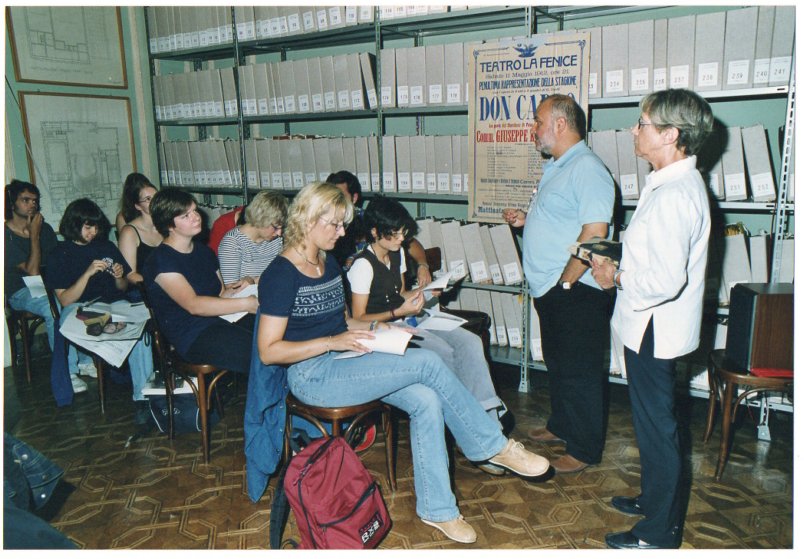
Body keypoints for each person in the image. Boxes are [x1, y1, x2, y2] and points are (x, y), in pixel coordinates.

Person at [255, 182, 550, 544]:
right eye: (334, 224)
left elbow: (345, 321)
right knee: (427, 362)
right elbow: (269, 351)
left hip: (345, 357)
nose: (342, 232)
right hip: (312, 375)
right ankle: (492, 446)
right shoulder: (281, 274)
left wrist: (380, 327)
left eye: (343, 224)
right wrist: (331, 342)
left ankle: (438, 510)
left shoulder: (326, 263)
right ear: (307, 220)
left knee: (426, 398)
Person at [590, 89, 713, 549]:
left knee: (658, 428)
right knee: (652, 424)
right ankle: (654, 500)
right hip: (652, 324)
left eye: (642, 123)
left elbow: (664, 280)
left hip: (654, 327)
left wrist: (616, 276)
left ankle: (658, 533)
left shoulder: (675, 193)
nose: (634, 130)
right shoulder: (668, 183)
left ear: (670, 134)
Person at [346, 196, 509, 475]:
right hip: (383, 330)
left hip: (406, 317)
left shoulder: (396, 253)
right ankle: (473, 436)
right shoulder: (362, 265)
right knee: (443, 352)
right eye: (395, 233)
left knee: (470, 342)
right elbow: (359, 318)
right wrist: (399, 311)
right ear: (375, 232)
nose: (401, 239)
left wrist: (426, 292)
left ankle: (489, 429)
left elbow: (399, 295)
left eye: (403, 232)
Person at [502, 94, 615, 474]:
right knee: (560, 364)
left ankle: (584, 449)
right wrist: (527, 220)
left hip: (575, 288)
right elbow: (562, 217)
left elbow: (595, 232)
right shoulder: (559, 165)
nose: (533, 129)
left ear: (561, 124)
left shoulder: (587, 168)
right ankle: (562, 425)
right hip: (553, 288)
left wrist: (566, 283)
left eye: (538, 121)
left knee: (580, 371)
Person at [46, 198, 153, 412]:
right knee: (94, 324)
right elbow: (65, 300)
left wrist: (119, 276)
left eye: (95, 227)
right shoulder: (59, 253)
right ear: (74, 225)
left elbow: (121, 288)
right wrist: (87, 273)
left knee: (141, 331)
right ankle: (96, 364)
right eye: (88, 227)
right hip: (79, 307)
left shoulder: (106, 247)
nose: (93, 232)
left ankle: (144, 396)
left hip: (112, 303)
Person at [142, 188, 258, 375]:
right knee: (260, 351)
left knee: (272, 331)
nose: (196, 217)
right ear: (169, 224)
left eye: (194, 210)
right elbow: (194, 305)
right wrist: (246, 303)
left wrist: (241, 287)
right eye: (186, 215)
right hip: (191, 334)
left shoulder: (203, 251)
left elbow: (220, 294)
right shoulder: (161, 261)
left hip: (218, 320)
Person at [327, 170, 432, 288]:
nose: (336, 201)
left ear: (354, 198)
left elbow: (410, 242)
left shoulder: (369, 219)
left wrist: (423, 265)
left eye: (341, 196)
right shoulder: (326, 226)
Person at [4, 180, 59, 360]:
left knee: (76, 301)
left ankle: (85, 362)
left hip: (48, 285)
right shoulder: (5, 235)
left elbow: (57, 262)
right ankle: (65, 368)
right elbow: (33, 271)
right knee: (52, 308)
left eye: (35, 200)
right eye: (25, 200)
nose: (32, 205)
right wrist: (34, 235)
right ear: (12, 203)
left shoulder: (46, 229)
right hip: (21, 290)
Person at [217, 190, 287, 286]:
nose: (279, 233)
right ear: (261, 219)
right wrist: (255, 281)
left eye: (281, 228)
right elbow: (231, 289)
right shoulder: (232, 243)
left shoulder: (276, 240)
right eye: (275, 227)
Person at [117, 173, 161, 286]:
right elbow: (130, 274)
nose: (154, 202)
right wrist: (158, 286)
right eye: (148, 199)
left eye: (156, 197)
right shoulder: (129, 232)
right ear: (137, 206)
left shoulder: (167, 225)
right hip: (143, 288)